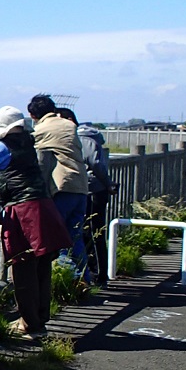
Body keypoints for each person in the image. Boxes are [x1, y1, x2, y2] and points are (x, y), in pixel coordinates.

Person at [0, 108, 70, 338]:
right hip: (42, 206)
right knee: (41, 266)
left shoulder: (2, 147)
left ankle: (30, 324)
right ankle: (38, 320)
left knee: (22, 267)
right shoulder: (27, 143)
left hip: (22, 211)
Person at [27, 94, 90, 280]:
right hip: (81, 186)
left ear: (32, 115)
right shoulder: (69, 125)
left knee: (58, 237)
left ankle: (65, 281)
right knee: (75, 236)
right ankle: (84, 279)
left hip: (62, 187)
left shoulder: (42, 130)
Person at [67, 109, 113, 289]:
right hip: (92, 189)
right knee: (89, 232)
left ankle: (97, 274)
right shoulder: (88, 137)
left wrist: (107, 183)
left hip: (92, 190)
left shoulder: (83, 138)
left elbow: (95, 164)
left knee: (93, 232)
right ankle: (94, 274)